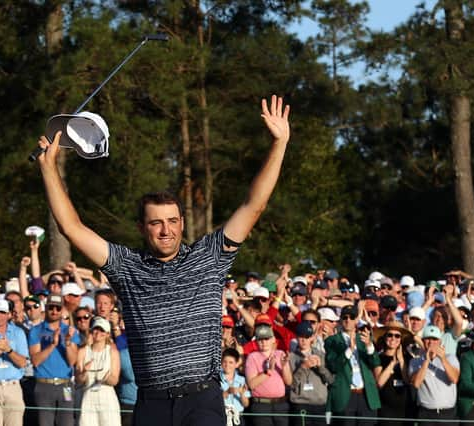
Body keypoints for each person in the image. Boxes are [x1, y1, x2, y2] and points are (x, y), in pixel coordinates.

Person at [36, 94, 291, 426]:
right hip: (152, 403)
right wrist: (49, 168)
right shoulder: (126, 266)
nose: (165, 230)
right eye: (156, 223)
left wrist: (280, 144)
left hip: (202, 400)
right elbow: (71, 228)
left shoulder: (208, 257)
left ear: (182, 223)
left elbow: (253, 205)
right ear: (142, 227)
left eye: (172, 221)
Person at [324, 305, 381, 426]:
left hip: (366, 394)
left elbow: (375, 363)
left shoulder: (364, 339)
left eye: (352, 317)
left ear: (356, 320)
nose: (348, 320)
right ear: (340, 320)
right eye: (345, 317)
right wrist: (349, 350)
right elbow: (333, 366)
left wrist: (370, 347)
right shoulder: (332, 341)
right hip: (345, 393)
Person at [29, 294, 79, 426]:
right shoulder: (36, 331)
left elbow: (72, 361)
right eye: (51, 307)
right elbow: (35, 360)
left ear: (62, 309)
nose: (54, 311)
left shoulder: (69, 331)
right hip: (44, 385)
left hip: (66, 385)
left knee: (67, 422)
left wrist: (67, 342)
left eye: (58, 308)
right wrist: (52, 345)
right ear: (46, 308)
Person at [409, 325, 459, 426]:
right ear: (423, 341)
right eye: (428, 339)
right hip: (426, 414)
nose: (431, 342)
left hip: (447, 413)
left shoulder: (451, 358)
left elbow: (454, 379)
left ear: (440, 342)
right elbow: (416, 384)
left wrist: (443, 359)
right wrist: (426, 361)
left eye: (434, 339)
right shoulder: (415, 361)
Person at [75, 316, 121, 426]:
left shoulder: (113, 352)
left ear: (107, 334)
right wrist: (84, 372)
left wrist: (105, 377)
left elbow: (114, 380)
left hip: (107, 395)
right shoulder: (83, 351)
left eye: (102, 330)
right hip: (88, 396)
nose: (98, 332)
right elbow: (79, 380)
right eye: (96, 329)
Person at [245, 323, 293, 426]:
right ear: (256, 341)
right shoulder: (252, 357)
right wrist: (268, 371)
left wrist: (284, 366)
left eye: (267, 338)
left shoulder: (280, 354)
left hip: (281, 405)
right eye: (260, 339)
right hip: (261, 405)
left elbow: (288, 381)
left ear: (273, 340)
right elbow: (251, 384)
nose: (264, 342)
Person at [288, 321, 332, 426]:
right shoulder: (291, 357)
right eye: (300, 336)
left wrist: (320, 367)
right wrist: (302, 367)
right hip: (300, 404)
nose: (303, 340)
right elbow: (291, 384)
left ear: (312, 338)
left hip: (319, 404)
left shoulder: (321, 354)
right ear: (296, 337)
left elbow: (330, 380)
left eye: (307, 337)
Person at [373, 321, 412, 426]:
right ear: (385, 337)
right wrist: (393, 363)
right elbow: (379, 383)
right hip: (385, 410)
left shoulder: (408, 358)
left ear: (401, 340)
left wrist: (401, 361)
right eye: (390, 335)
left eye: (397, 336)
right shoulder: (378, 358)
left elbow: (408, 381)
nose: (393, 338)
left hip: (404, 410)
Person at [221, 348, 250, 426]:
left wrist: (242, 394)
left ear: (237, 364)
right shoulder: (216, 379)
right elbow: (214, 399)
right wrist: (227, 392)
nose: (227, 365)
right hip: (222, 417)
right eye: (225, 362)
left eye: (231, 362)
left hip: (238, 418)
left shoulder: (242, 380)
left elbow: (246, 404)